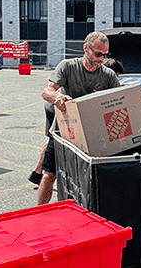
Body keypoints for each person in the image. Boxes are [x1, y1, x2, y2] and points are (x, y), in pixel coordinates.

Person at [36, 32, 121, 204]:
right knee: (49, 175)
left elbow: (119, 103)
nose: (102, 59)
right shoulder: (67, 66)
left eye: (105, 55)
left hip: (92, 135)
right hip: (62, 131)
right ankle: (39, 213)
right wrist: (57, 98)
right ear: (86, 49)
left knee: (87, 179)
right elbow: (46, 91)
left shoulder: (109, 75)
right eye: (98, 54)